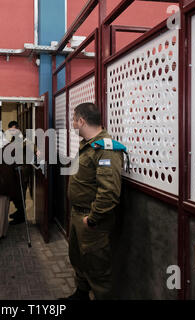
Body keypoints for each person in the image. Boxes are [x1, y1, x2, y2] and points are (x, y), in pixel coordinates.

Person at [61, 102, 124, 300]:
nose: (73, 124)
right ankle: (81, 295)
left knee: (98, 269)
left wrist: (93, 218)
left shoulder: (106, 149)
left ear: (81, 120)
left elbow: (109, 192)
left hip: (92, 220)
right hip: (78, 215)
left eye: (74, 120)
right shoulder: (88, 145)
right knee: (79, 259)